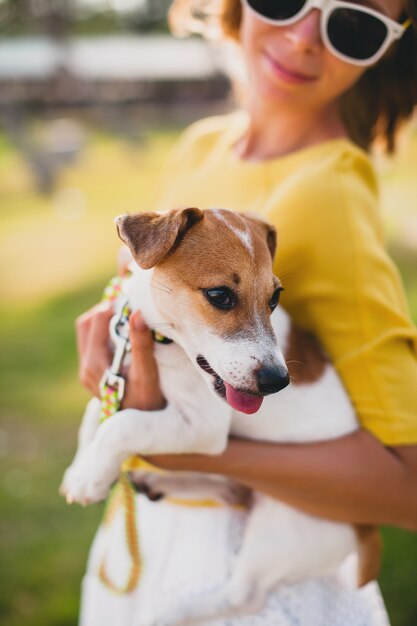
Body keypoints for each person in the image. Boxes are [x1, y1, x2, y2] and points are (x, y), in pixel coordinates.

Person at [75, 1, 417, 624]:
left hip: (259, 578)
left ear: (386, 49)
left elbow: (408, 488)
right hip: (151, 540)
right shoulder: (204, 143)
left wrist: (179, 452)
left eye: (355, 23)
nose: (303, 37)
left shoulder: (329, 191)